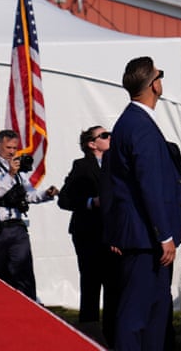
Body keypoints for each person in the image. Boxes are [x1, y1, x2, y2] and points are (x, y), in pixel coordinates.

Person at [103, 57, 181, 351]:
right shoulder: (140, 125)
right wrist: (164, 234)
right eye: (160, 75)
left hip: (143, 235)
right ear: (153, 84)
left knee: (154, 312)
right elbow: (150, 185)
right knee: (137, 314)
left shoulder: (131, 122)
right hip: (146, 238)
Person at [0, 129, 59, 299]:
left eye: (14, 148)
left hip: (15, 228)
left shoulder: (17, 168)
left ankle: (30, 309)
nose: (12, 152)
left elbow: (27, 194)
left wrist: (46, 194)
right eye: (8, 147)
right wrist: (10, 174)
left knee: (24, 274)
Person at [58, 125, 117, 342]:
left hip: (112, 233)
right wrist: (91, 202)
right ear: (92, 144)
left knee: (114, 284)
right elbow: (64, 200)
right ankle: (89, 334)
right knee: (91, 282)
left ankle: (112, 335)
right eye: (104, 135)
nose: (109, 137)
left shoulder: (117, 164)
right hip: (89, 233)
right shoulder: (82, 166)